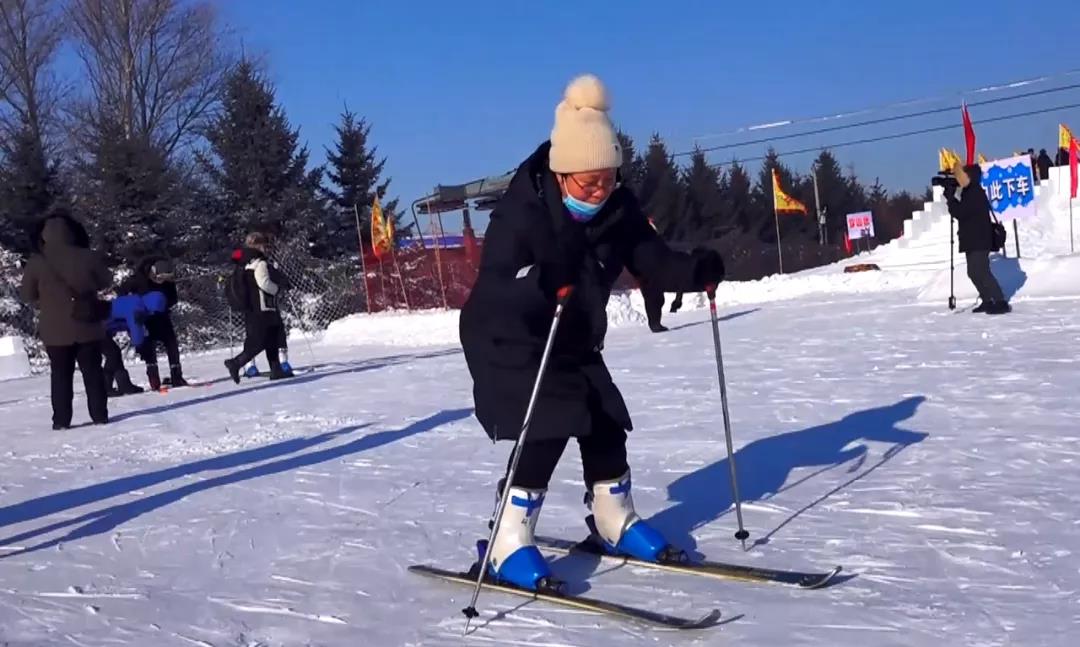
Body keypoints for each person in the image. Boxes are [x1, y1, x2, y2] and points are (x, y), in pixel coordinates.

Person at [459, 74, 726, 591]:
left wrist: (695, 272)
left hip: (571, 333)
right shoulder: (522, 212)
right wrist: (544, 276)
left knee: (604, 416)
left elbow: (652, 260)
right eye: (589, 182)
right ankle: (507, 541)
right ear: (562, 174)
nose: (601, 191)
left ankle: (612, 519)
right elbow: (494, 288)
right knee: (550, 420)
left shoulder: (617, 207)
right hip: (507, 335)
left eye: (608, 178)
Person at [19, 209, 112, 429]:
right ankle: (99, 415)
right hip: (87, 323)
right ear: (72, 231)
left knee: (60, 375)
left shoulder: (37, 262)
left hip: (54, 329)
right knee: (93, 371)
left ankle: (61, 420)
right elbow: (105, 280)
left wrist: (47, 302)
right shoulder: (87, 256)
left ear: (43, 235)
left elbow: (27, 295)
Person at [223, 233, 295, 382]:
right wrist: (277, 289)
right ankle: (236, 363)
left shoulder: (243, 263)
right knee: (260, 341)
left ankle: (276, 370)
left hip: (251, 307)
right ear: (259, 246)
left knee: (271, 338)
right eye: (264, 245)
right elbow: (264, 283)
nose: (266, 248)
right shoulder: (259, 262)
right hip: (263, 307)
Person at [946, 162, 1010, 314]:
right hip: (973, 239)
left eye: (962, 175)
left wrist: (950, 198)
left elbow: (960, 213)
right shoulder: (970, 192)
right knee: (973, 272)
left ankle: (1000, 301)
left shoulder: (974, 193)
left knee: (981, 271)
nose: (959, 179)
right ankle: (987, 300)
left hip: (979, 240)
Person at [120, 256, 186, 390]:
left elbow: (173, 298)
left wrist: (164, 303)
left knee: (171, 343)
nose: (161, 282)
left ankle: (177, 375)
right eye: (159, 278)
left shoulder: (168, 282)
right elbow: (121, 292)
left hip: (162, 315)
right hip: (145, 318)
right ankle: (153, 377)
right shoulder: (139, 279)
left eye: (165, 279)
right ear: (153, 272)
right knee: (148, 347)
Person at [102, 291, 169, 396]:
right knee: (113, 354)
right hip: (95, 328)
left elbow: (128, 323)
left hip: (102, 327)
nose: (154, 314)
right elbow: (135, 327)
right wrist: (139, 345)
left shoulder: (137, 302)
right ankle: (104, 388)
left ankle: (124, 385)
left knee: (114, 354)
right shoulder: (137, 308)